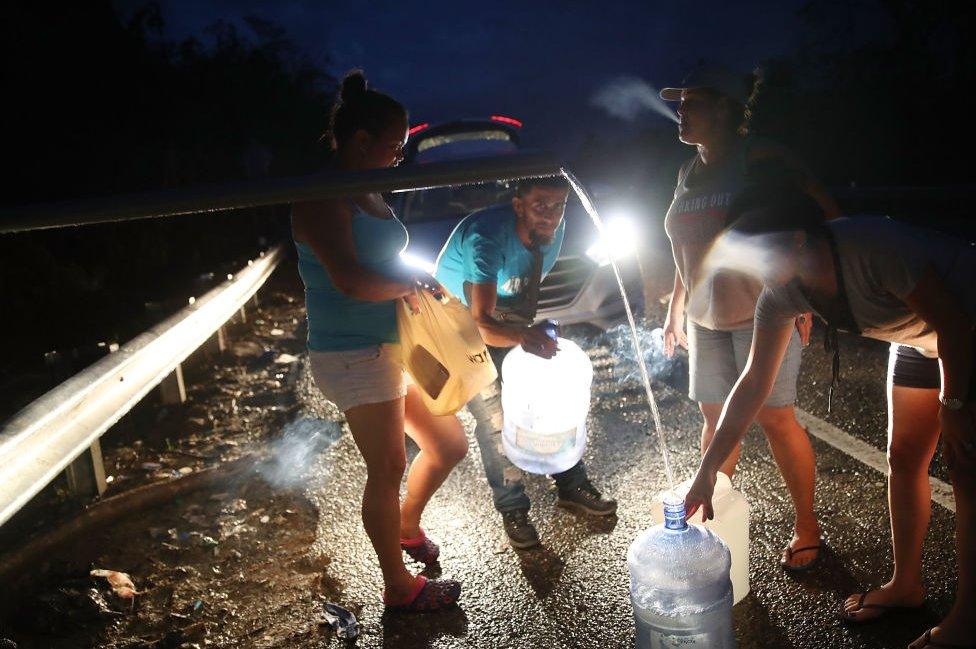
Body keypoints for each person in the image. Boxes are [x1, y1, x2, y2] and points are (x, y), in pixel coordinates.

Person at [683, 182, 976, 649]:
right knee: (903, 458)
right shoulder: (781, 295)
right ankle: (906, 586)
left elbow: (957, 323)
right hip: (921, 340)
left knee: (966, 471)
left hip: (965, 327)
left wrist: (955, 403)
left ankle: (968, 620)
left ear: (798, 238)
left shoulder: (875, 246)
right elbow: (754, 383)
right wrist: (706, 471)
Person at [647, 64, 841, 569]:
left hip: (765, 312)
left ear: (726, 108)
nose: (680, 112)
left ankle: (807, 526)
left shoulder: (759, 157)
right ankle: (707, 515)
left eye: (692, 103)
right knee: (715, 420)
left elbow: (820, 214)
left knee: (777, 419)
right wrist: (675, 309)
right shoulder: (687, 172)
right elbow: (684, 248)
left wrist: (811, 289)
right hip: (704, 317)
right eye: (679, 103)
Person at [291, 70, 465, 612]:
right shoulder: (323, 198)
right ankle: (399, 586)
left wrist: (418, 281)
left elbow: (380, 261)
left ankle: (407, 526)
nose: (400, 154)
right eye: (395, 144)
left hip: (392, 343)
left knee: (447, 445)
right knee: (387, 467)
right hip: (351, 352)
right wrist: (407, 283)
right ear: (361, 140)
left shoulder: (364, 188)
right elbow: (349, 278)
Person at [434, 176, 617, 549]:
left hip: (502, 319)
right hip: (459, 327)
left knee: (549, 396)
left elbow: (520, 290)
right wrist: (523, 336)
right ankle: (512, 508)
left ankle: (570, 482)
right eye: (541, 206)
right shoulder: (485, 238)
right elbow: (482, 323)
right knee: (492, 418)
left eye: (558, 205)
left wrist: (532, 331)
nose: (551, 215)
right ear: (518, 204)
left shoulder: (554, 228)